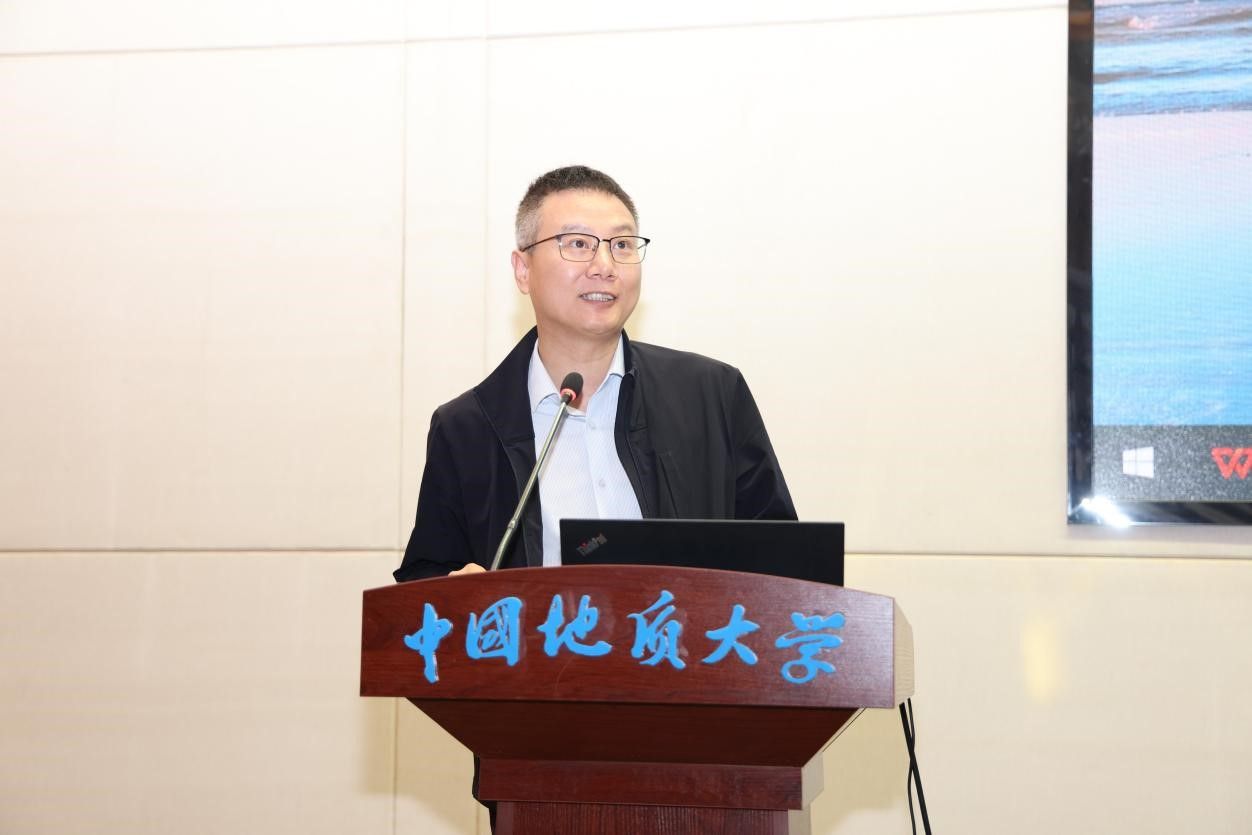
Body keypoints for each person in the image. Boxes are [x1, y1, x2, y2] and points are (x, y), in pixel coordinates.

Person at [394, 164, 796, 582]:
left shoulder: (712, 397)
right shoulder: (467, 429)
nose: (605, 265)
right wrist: (454, 594)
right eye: (578, 243)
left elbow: (785, 564)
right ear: (523, 270)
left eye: (622, 245)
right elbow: (424, 582)